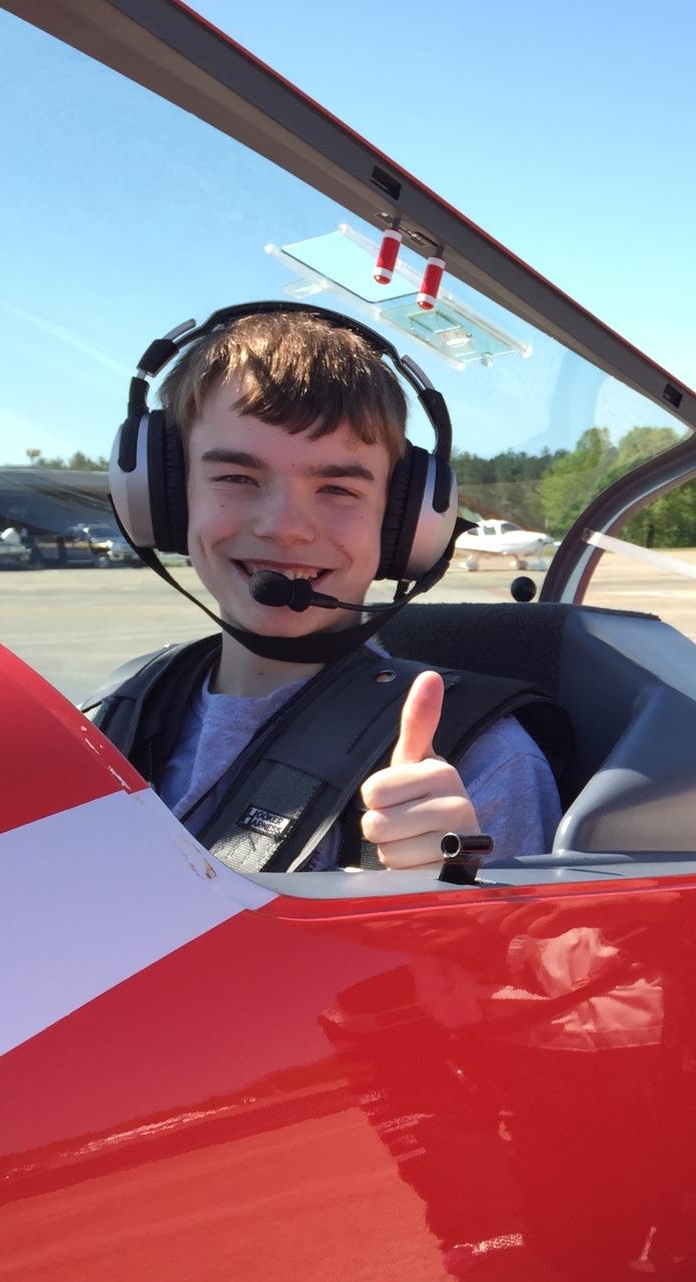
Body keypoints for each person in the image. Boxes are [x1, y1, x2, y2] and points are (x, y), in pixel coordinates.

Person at [88, 304, 561, 873]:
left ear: (405, 523)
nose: (284, 526)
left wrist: (451, 888)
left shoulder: (477, 763)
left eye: (337, 488)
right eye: (237, 477)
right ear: (165, 498)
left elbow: (517, 961)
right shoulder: (119, 708)